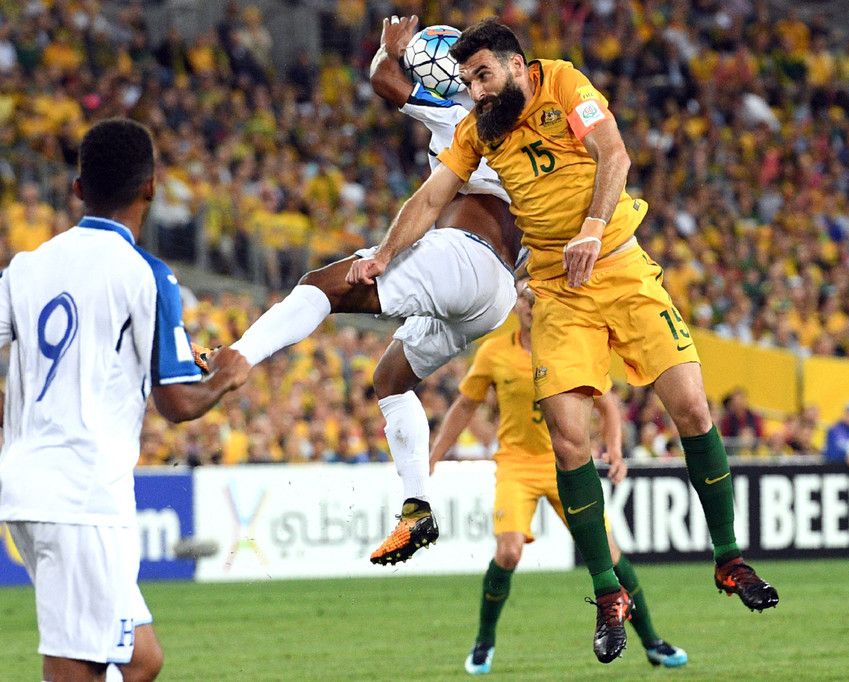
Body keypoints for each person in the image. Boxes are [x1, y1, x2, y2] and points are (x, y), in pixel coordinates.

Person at [347, 18, 779, 664]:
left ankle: (729, 560)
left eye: (483, 76)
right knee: (570, 439)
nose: (477, 90)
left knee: (692, 407)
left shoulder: (564, 83)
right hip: (555, 287)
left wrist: (593, 227)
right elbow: (431, 197)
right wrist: (383, 255)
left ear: (517, 66)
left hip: (620, 264)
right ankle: (608, 591)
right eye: (468, 82)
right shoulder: (476, 129)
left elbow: (614, 154)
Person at [227, 16, 521, 566]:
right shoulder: (517, 123)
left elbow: (385, 80)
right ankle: (417, 509)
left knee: (322, 285)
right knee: (389, 380)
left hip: (467, 255)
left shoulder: (459, 115)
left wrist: (392, 50)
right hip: (496, 293)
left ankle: (237, 358)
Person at [0, 118, 250, 682]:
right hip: (81, 497)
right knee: (76, 665)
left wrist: (16, 416)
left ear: (77, 189)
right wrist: (225, 379)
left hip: (30, 485)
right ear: (151, 188)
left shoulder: (26, 268)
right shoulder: (146, 275)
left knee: (140, 659)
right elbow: (176, 403)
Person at [430, 281, 687, 674]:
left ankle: (653, 642)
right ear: (515, 305)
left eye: (537, 299)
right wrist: (434, 454)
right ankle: (484, 642)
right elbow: (466, 405)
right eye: (524, 298)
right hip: (517, 465)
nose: (530, 305)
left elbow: (608, 406)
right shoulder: (494, 353)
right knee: (509, 552)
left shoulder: (570, 348)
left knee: (611, 557)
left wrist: (615, 450)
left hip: (567, 466)